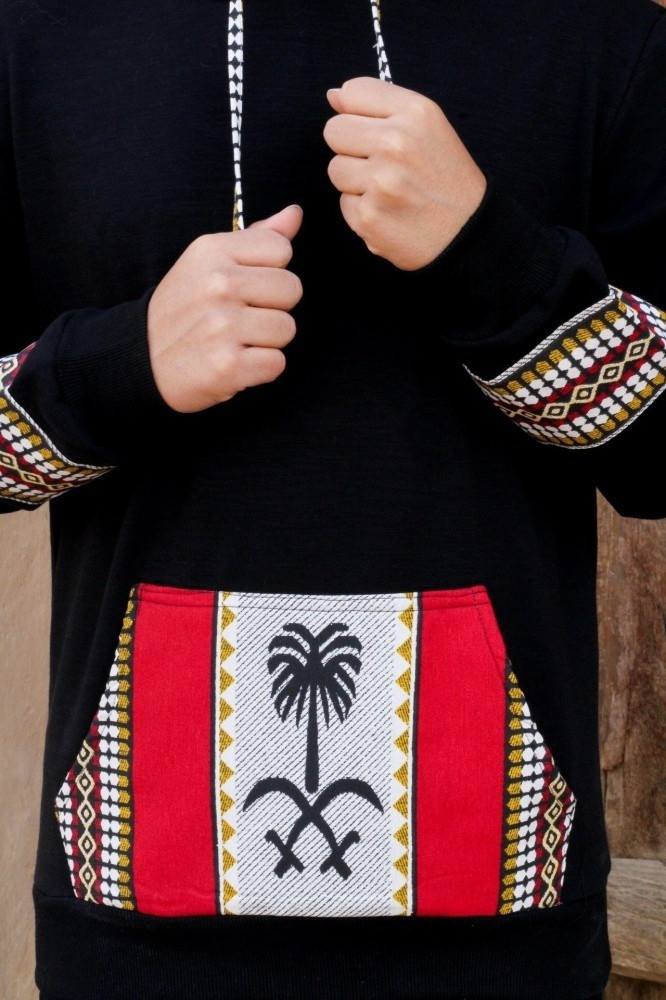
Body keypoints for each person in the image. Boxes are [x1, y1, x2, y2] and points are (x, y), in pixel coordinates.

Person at [1, 0, 664, 996]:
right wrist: (123, 366)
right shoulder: (34, 33)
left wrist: (492, 257)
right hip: (137, 919)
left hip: (500, 916)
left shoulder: (601, 33)